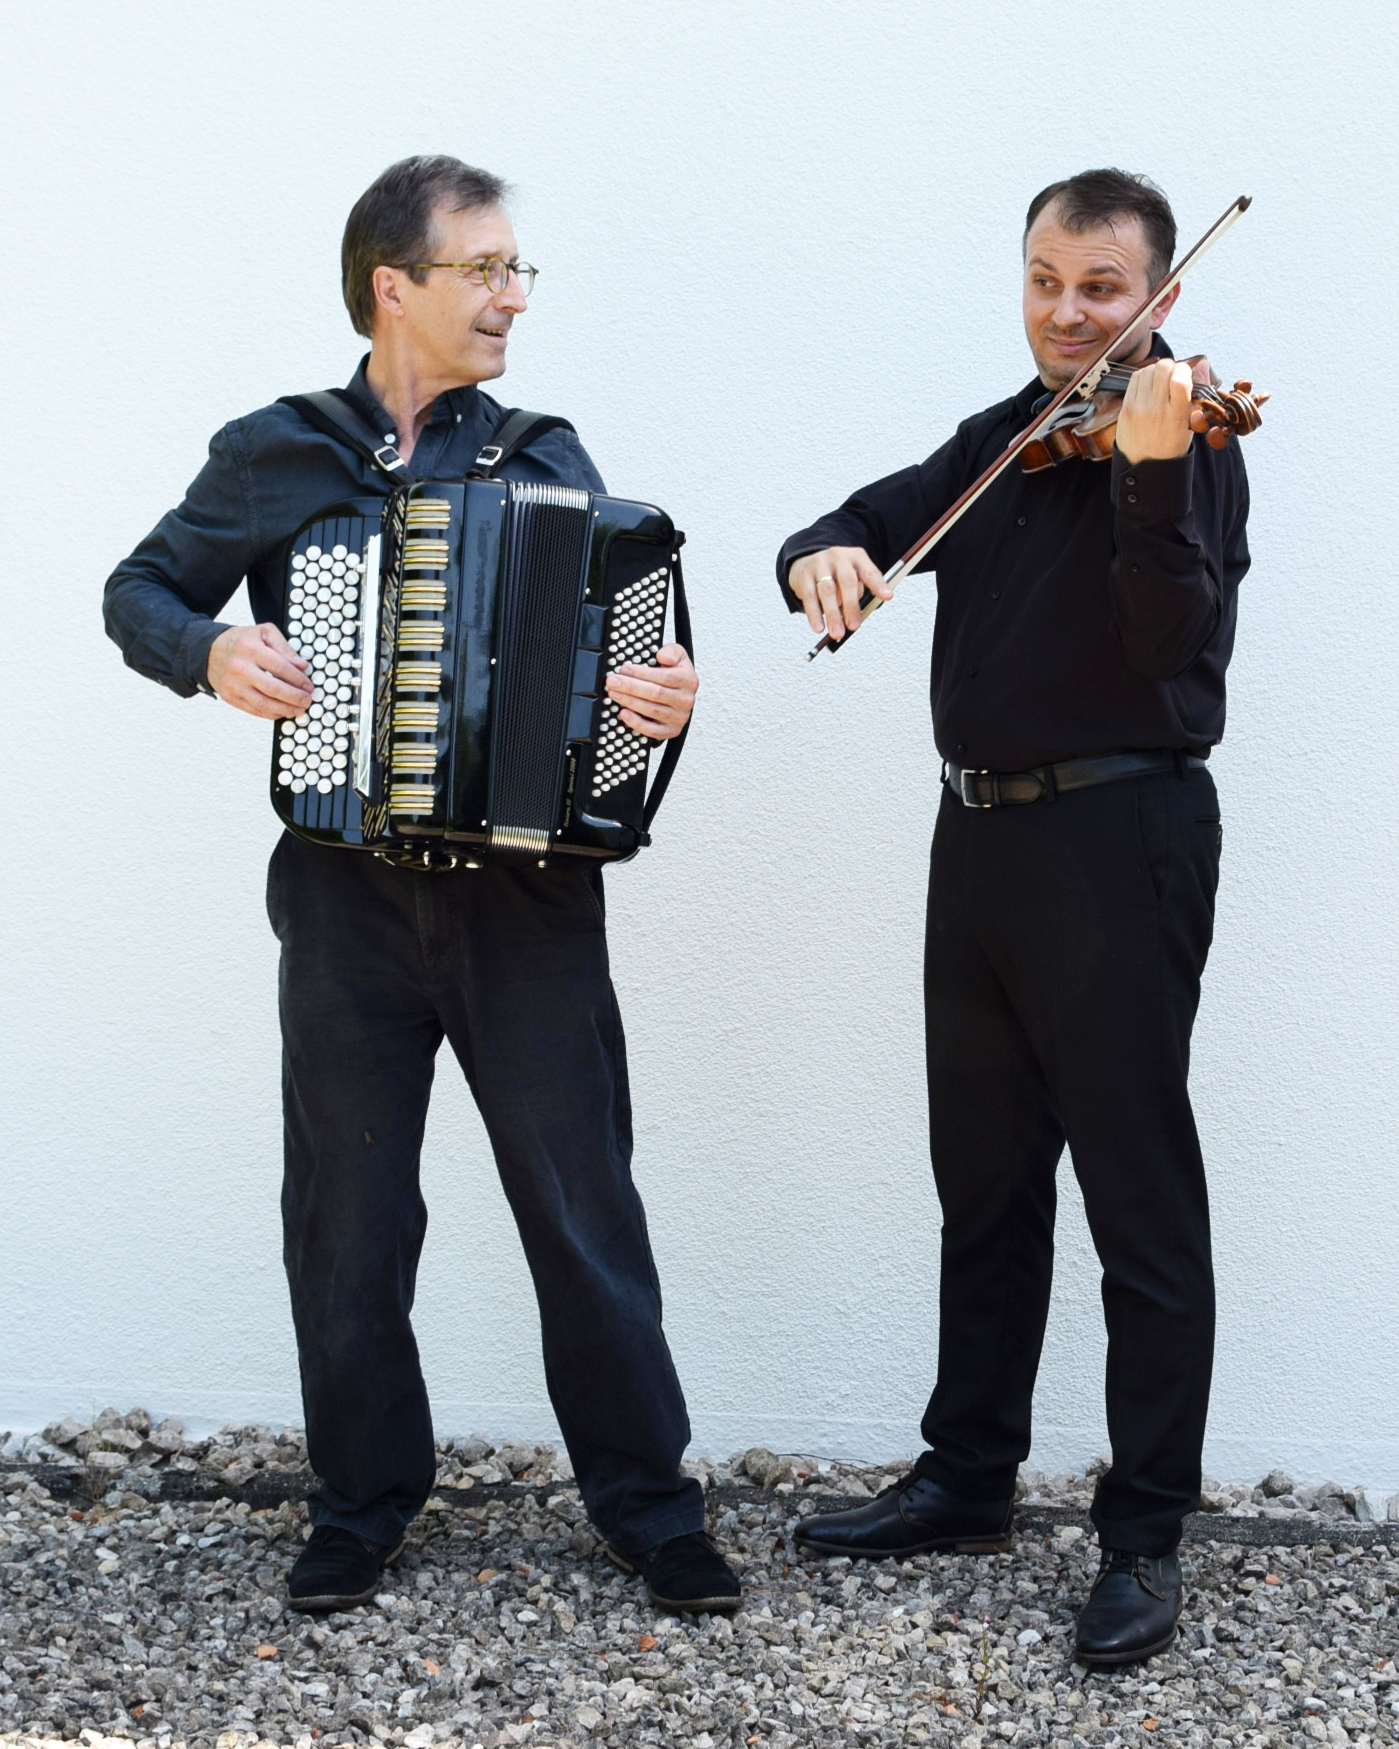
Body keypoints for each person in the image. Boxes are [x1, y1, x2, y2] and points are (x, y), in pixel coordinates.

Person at [104, 154, 740, 1617]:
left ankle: (653, 1510)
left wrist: (656, 696)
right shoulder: (278, 451)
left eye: (520, 270)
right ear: (394, 287)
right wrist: (210, 650)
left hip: (526, 908)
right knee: (349, 1215)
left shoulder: (542, 452)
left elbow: (612, 653)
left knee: (582, 1206)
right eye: (485, 269)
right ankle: (360, 1502)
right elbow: (139, 590)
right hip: (346, 901)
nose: (514, 296)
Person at [777, 169, 1251, 1666]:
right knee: (983, 1181)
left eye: (1101, 288)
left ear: (1160, 296)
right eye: (1046, 280)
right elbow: (860, 521)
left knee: (1136, 1194)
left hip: (1119, 840)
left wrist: (1152, 476)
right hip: (978, 840)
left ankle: (1146, 1531)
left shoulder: (1181, 440)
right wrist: (820, 555)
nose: (1067, 312)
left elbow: (1168, 641)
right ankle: (969, 1476)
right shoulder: (1005, 435)